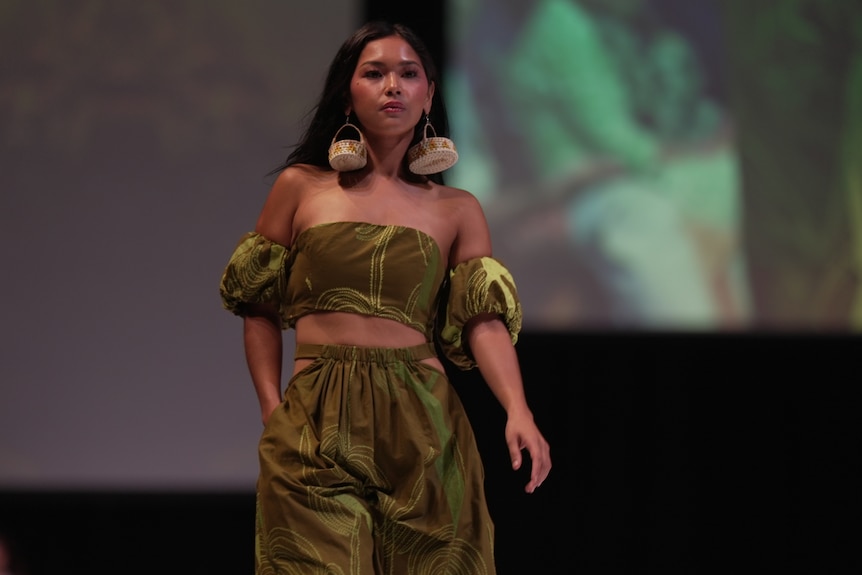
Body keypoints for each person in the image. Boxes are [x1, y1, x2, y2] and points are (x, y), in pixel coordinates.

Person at [218, 20, 551, 574]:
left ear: (428, 96)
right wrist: (271, 408)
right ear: (348, 93)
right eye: (374, 73)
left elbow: (483, 320)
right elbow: (259, 305)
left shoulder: (457, 208)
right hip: (316, 411)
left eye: (408, 74)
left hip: (422, 415)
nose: (392, 85)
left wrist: (518, 408)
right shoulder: (301, 187)